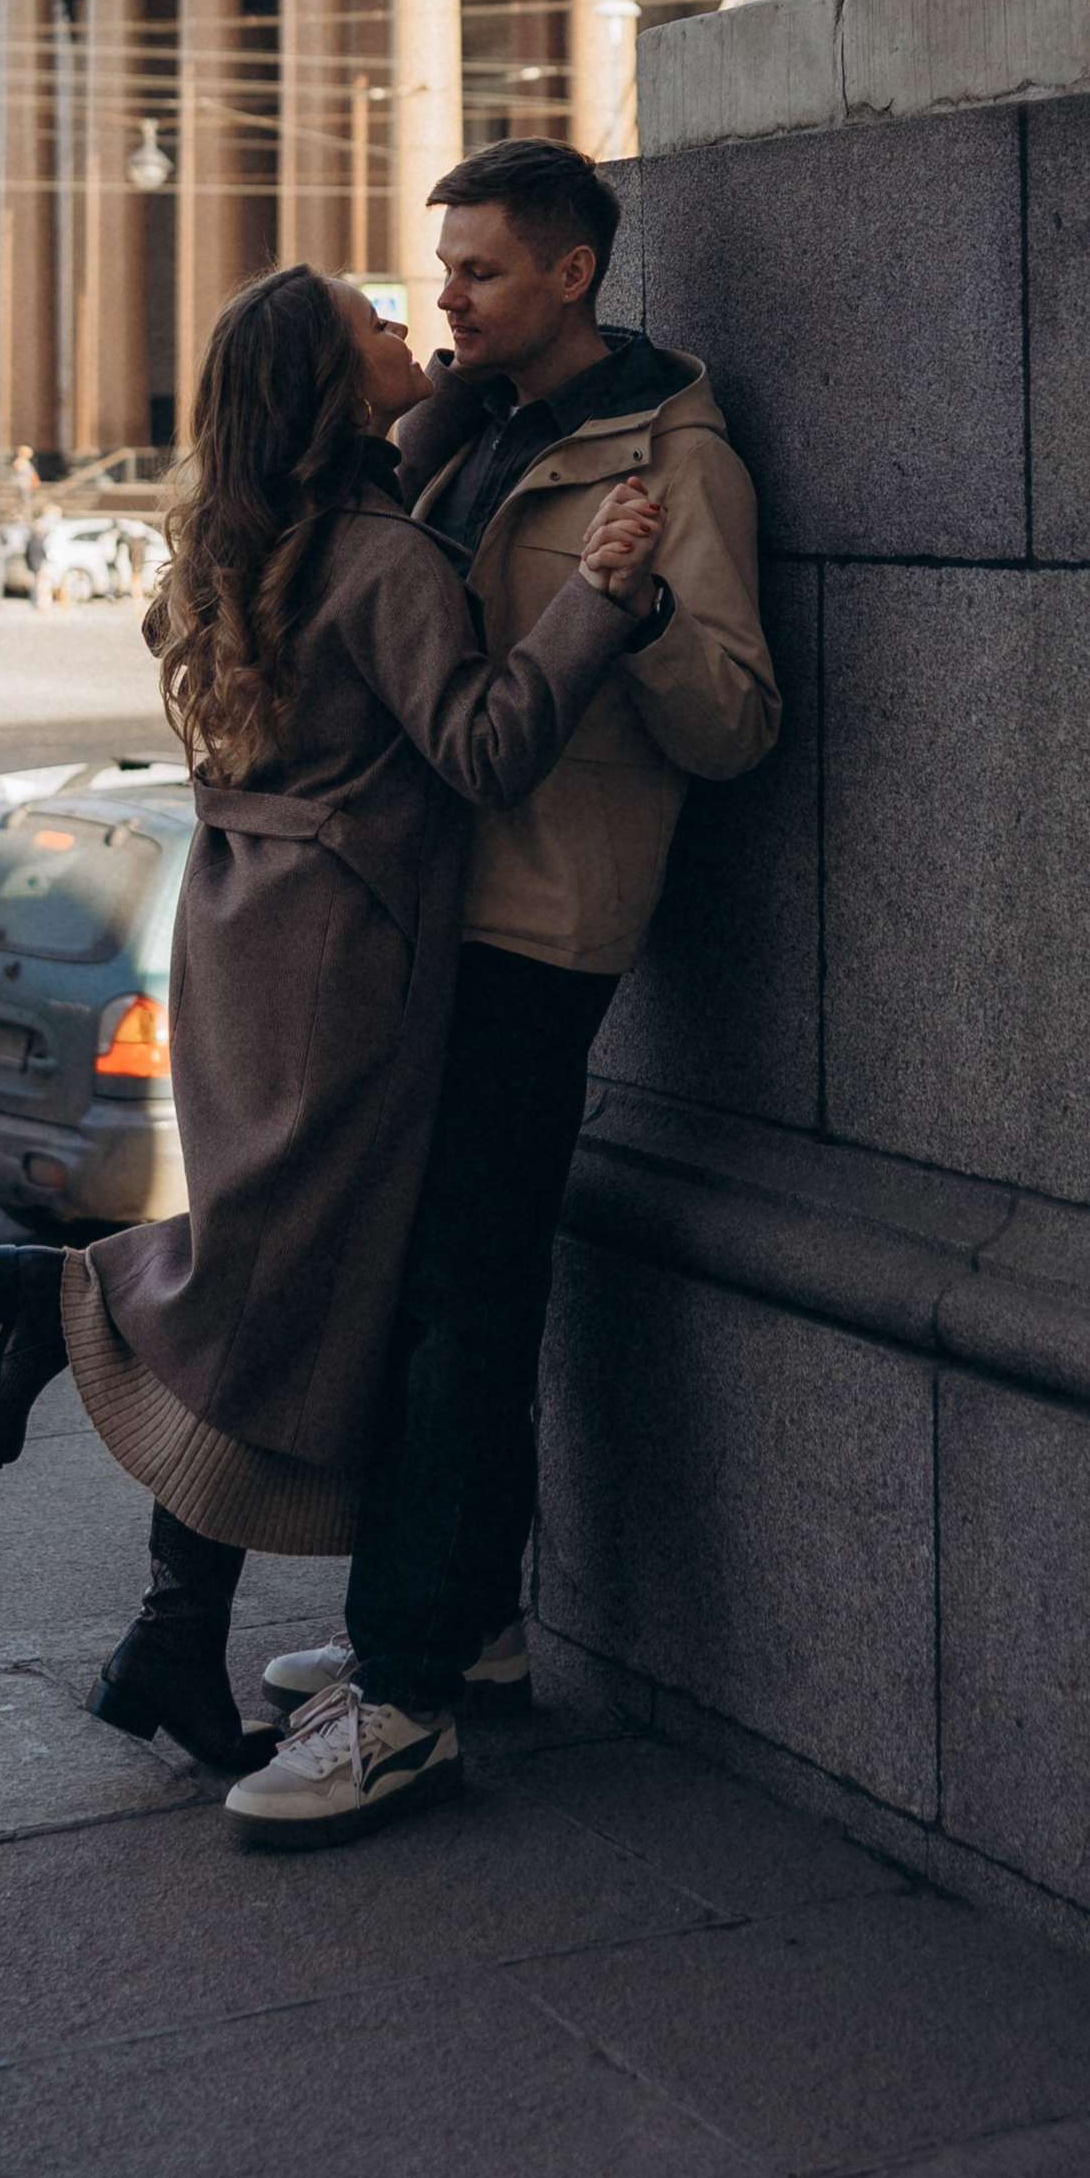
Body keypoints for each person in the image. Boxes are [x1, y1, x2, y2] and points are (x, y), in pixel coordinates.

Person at [0, 262, 664, 1823]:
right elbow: (485, 745)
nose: (409, 327)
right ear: (337, 388)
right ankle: (79, 1303)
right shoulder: (383, 559)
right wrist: (599, 607)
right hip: (347, 956)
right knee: (275, 1268)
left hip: (235, 927)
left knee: (270, 1253)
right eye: (377, 327)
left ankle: (170, 1630)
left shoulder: (242, 548)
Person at [245, 136, 779, 1829]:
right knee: (433, 1286)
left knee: (459, 1298)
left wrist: (643, 598)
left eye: (477, 270)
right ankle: (456, 1619)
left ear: (571, 274)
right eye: (438, 270)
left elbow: (735, 724)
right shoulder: (458, 428)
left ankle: (402, 1698)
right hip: (420, 915)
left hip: (543, 922)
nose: (445, 298)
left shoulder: (674, 456)